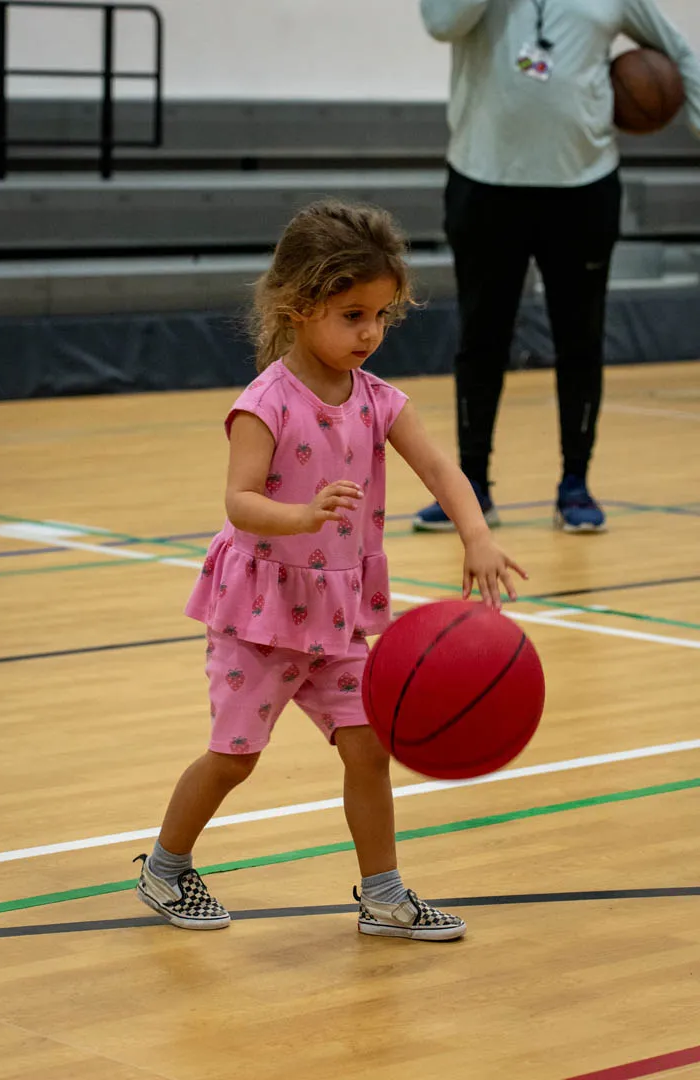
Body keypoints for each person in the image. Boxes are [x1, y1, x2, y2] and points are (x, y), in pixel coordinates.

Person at [134, 200, 527, 940]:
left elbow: (442, 469)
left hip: (339, 619)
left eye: (381, 316)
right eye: (353, 315)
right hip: (258, 617)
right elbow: (240, 501)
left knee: (368, 749)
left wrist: (476, 535)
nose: (371, 333)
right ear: (298, 305)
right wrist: (302, 516)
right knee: (233, 760)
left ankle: (383, 895)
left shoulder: (380, 401)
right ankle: (164, 867)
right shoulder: (265, 404)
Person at [415, 0, 700, 534]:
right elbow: (441, 23)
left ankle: (575, 484)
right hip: (484, 181)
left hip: (583, 187)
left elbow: (680, 52)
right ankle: (471, 486)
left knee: (581, 340)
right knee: (481, 339)